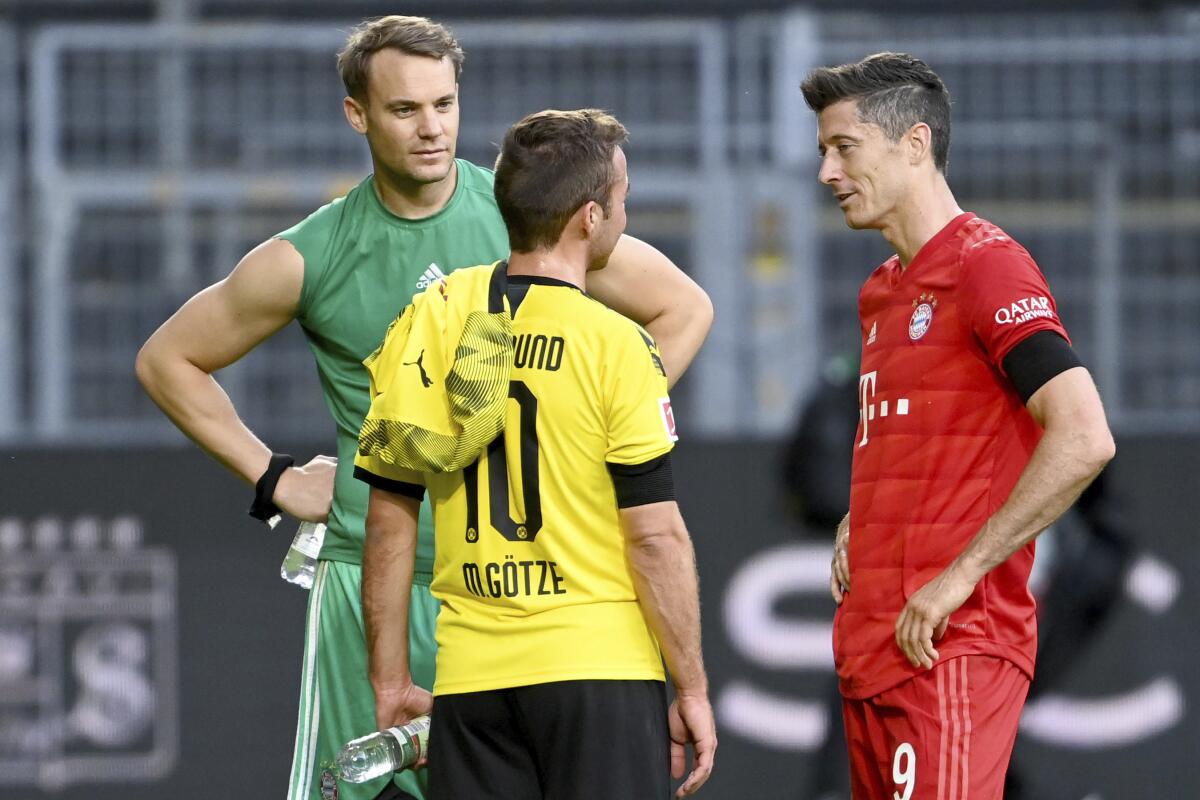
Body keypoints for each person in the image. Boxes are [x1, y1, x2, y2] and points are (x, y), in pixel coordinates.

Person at [134, 16, 713, 800]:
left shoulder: (521, 215)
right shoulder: (315, 253)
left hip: (513, 588)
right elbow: (167, 360)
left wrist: (576, 428)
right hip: (376, 579)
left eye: (445, 103)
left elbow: (683, 308)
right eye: (406, 109)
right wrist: (272, 477)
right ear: (357, 115)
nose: (433, 127)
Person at [354, 109, 716, 800]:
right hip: (598, 674)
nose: (624, 214)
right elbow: (654, 536)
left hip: (472, 682)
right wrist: (692, 684)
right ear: (589, 217)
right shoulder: (616, 345)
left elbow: (388, 516)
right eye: (622, 200)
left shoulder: (433, 317)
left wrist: (392, 678)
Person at [801, 52, 1115, 799]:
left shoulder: (987, 266)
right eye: (823, 151)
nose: (827, 173)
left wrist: (963, 576)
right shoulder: (883, 290)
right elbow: (931, 435)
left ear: (914, 144)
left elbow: (1082, 434)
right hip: (875, 649)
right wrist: (866, 515)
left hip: (952, 645)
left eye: (844, 147)